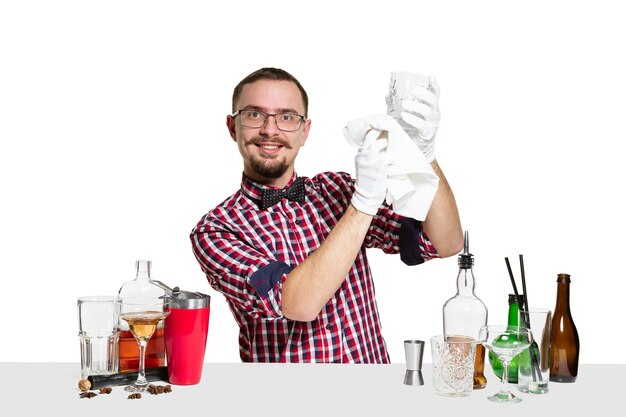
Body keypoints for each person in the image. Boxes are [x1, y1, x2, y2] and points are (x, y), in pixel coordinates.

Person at [190, 67, 463, 363]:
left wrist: (424, 156)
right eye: (255, 115)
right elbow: (298, 304)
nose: (271, 130)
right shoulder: (216, 230)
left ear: (305, 131)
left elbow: (444, 243)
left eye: (286, 117)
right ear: (233, 127)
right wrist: (362, 206)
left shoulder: (336, 189)